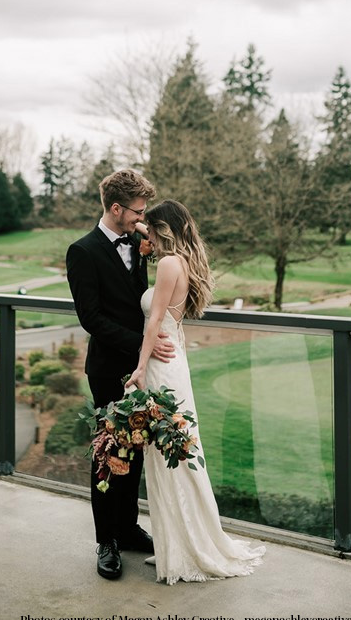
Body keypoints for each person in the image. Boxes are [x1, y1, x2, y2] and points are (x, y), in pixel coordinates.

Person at [127, 199, 266, 585]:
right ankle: (176, 542)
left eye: (152, 231)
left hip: (159, 366)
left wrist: (138, 369)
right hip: (174, 364)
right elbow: (151, 235)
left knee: (172, 455)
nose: (147, 238)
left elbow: (153, 320)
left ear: (164, 232)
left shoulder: (170, 264)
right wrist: (140, 226)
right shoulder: (181, 261)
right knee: (171, 453)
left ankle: (187, 547)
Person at [66, 169, 175, 581]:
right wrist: (140, 345)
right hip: (110, 368)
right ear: (116, 208)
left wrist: (148, 252)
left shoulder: (136, 242)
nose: (142, 218)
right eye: (138, 211)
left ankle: (128, 528)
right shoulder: (83, 251)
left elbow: (138, 299)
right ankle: (106, 540)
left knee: (138, 448)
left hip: (141, 367)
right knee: (109, 454)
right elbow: (91, 318)